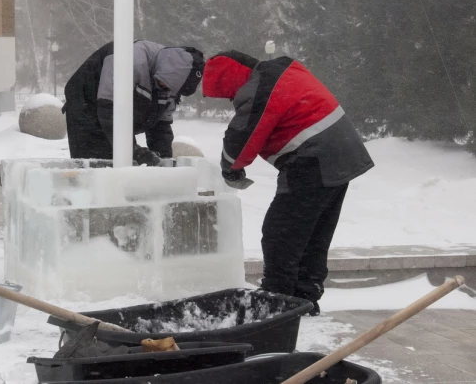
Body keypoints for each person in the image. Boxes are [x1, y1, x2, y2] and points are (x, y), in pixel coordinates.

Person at [202, 50, 374, 315]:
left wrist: (230, 170)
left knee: (280, 232)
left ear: (230, 81)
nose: (230, 100)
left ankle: (277, 302)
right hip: (344, 153)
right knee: (314, 232)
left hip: (314, 158)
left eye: (226, 94)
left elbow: (241, 137)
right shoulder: (283, 72)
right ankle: (304, 297)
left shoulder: (261, 88)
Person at [63, 40, 204, 165]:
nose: (167, 90)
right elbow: (110, 111)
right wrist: (133, 150)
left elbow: (161, 125)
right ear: (161, 71)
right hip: (86, 108)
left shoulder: (170, 83)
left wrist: (163, 160)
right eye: (164, 85)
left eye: (172, 90)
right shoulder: (128, 59)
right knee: (97, 168)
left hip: (113, 117)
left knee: (123, 168)